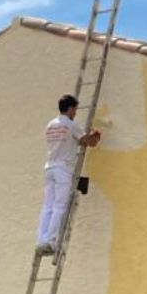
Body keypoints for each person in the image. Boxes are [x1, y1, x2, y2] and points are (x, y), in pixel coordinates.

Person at [35, 94, 101, 256]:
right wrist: (96, 135)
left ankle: (41, 240)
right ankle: (50, 242)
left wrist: (82, 139)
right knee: (59, 205)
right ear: (70, 109)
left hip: (50, 167)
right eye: (75, 109)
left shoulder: (51, 125)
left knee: (48, 206)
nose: (76, 113)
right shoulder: (70, 125)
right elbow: (89, 142)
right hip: (63, 170)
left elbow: (70, 142)